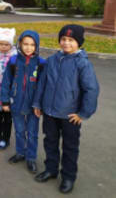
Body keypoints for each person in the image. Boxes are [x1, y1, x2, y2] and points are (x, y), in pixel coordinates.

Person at [33, 25, 99, 194]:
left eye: (71, 40)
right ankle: (51, 169)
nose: (66, 43)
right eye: (63, 39)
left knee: (70, 147)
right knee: (50, 142)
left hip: (70, 115)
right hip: (49, 111)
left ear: (79, 43)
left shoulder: (82, 64)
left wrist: (83, 113)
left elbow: (91, 89)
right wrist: (38, 104)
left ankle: (68, 177)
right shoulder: (52, 60)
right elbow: (42, 83)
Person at [1, 30, 46, 174]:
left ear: (37, 46)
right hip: (16, 102)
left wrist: (41, 104)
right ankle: (20, 152)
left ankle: (31, 157)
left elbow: (44, 86)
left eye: (32, 45)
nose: (28, 47)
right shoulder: (13, 61)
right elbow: (6, 82)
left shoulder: (41, 63)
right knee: (20, 131)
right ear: (20, 44)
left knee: (32, 133)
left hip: (34, 106)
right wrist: (5, 101)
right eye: (25, 44)